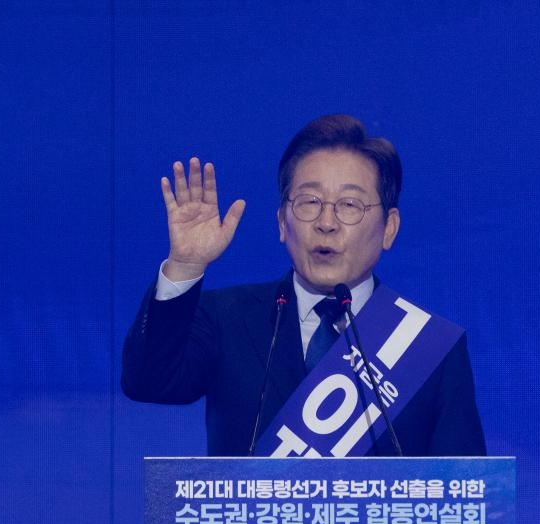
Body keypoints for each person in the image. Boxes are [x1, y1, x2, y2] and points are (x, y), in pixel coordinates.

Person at [121, 114, 485, 459]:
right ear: (282, 222)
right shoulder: (225, 318)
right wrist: (186, 264)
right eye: (310, 202)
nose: (326, 222)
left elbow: (465, 491)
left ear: (389, 228)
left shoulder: (428, 346)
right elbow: (149, 382)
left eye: (349, 205)